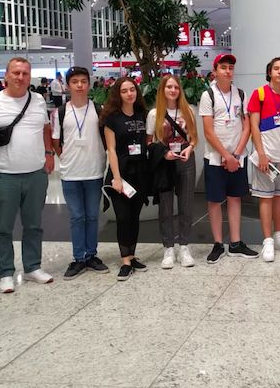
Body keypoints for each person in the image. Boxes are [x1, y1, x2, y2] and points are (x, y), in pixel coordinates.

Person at [0, 57, 55, 293]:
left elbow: (45, 128)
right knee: (3, 227)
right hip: (4, 176)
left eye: (25, 73)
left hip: (36, 174)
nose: (20, 78)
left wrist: (49, 153)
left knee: (34, 225)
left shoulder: (38, 100)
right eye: (16, 73)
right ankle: (5, 272)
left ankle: (32, 266)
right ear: (6, 75)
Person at [199, 54, 258, 263]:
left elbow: (247, 126)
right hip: (216, 158)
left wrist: (236, 155)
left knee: (235, 198)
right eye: (223, 67)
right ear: (215, 70)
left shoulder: (240, 94)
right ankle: (217, 244)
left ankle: (235, 243)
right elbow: (208, 131)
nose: (228, 71)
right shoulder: (208, 95)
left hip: (237, 156)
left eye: (231, 67)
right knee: (215, 201)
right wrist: (226, 156)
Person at [51, 66, 109, 280]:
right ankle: (78, 258)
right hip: (70, 174)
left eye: (83, 81)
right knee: (77, 217)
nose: (79, 85)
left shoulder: (99, 109)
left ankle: (91, 255)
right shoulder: (60, 112)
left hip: (94, 171)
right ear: (68, 85)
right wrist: (65, 158)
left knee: (92, 216)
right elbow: (55, 141)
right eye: (75, 82)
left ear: (89, 84)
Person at [248, 57, 280, 262]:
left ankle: (278, 236)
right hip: (265, 159)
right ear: (269, 72)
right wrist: (261, 153)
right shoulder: (259, 94)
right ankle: (267, 240)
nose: (279, 72)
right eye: (276, 68)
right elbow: (253, 126)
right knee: (266, 198)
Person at [147, 75, 198, 269]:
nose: (173, 90)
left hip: (185, 159)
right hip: (165, 161)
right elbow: (149, 142)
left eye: (176, 87)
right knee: (166, 206)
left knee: (186, 204)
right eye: (169, 87)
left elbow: (194, 138)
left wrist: (190, 148)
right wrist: (163, 153)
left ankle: (184, 246)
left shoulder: (188, 111)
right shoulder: (154, 114)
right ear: (162, 90)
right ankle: (168, 247)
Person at [101, 77, 149, 280]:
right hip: (120, 174)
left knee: (134, 217)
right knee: (123, 217)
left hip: (140, 173)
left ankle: (132, 254)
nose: (129, 94)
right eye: (124, 91)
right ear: (117, 95)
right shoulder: (111, 119)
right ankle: (125, 261)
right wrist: (117, 178)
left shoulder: (142, 114)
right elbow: (111, 150)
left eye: (132, 90)